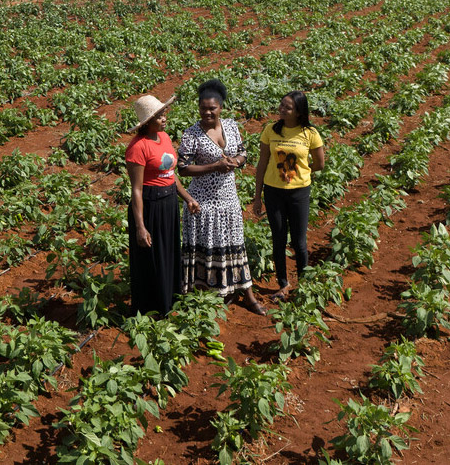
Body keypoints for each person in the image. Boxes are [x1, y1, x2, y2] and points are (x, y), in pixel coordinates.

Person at [178, 79, 266, 315]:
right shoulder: (192, 134)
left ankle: (245, 293)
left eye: (212, 108)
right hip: (203, 202)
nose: (207, 112)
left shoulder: (231, 126)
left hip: (228, 199)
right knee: (206, 249)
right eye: (203, 108)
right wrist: (214, 166)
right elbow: (183, 168)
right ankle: (206, 297)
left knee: (234, 246)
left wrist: (236, 161)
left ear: (220, 108)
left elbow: (243, 152)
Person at [126, 94, 200, 315]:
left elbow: (169, 175)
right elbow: (137, 189)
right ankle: (152, 309)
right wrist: (140, 226)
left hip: (168, 204)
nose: (164, 118)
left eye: (163, 113)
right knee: (152, 258)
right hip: (150, 207)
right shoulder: (137, 148)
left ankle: (169, 302)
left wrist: (187, 198)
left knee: (168, 253)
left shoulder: (164, 138)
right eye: (159, 116)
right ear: (147, 122)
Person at [252, 91, 325, 301]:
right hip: (273, 192)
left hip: (299, 192)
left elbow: (319, 163)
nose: (282, 109)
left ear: (299, 112)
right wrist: (258, 197)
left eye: (288, 107)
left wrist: (301, 171)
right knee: (278, 239)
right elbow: (262, 163)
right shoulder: (270, 130)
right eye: (281, 105)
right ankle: (283, 284)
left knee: (299, 242)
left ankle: (303, 284)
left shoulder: (310, 133)